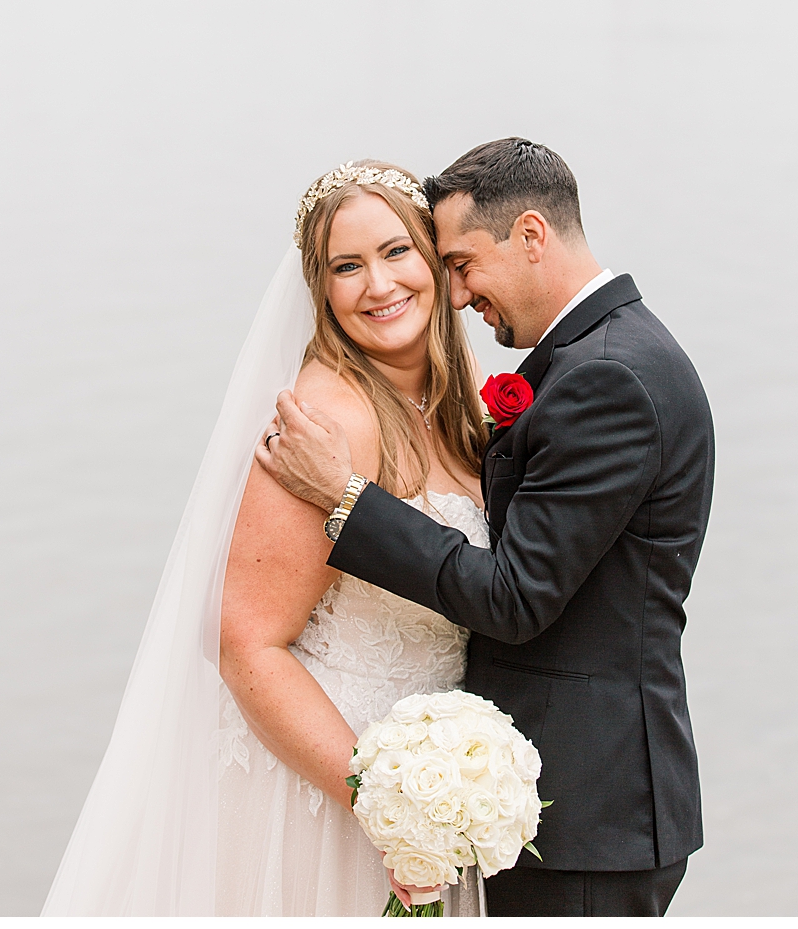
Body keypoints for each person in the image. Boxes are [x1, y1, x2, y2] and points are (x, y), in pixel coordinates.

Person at [257, 138, 712, 916]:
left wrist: (346, 496)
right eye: (346, 266)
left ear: (531, 235)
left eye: (459, 263)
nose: (457, 294)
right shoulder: (587, 357)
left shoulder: (604, 377)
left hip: (587, 812)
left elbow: (514, 597)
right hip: (529, 809)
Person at [44, 158, 496, 916]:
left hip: (440, 782)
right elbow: (244, 641)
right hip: (329, 794)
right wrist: (382, 802)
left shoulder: (460, 394)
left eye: (395, 252)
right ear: (319, 289)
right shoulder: (325, 424)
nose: (378, 285)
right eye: (346, 266)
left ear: (435, 257)